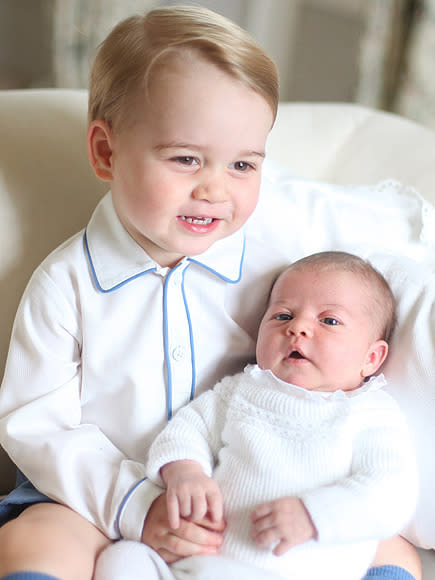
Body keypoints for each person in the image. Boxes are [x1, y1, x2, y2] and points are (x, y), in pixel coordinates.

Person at [0, 6, 421, 580]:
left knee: (389, 546)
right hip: (97, 496)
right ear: (106, 152)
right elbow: (37, 425)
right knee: (36, 541)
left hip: (258, 488)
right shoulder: (66, 282)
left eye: (244, 164)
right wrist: (136, 505)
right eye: (186, 159)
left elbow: (380, 222)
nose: (215, 189)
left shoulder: (279, 241)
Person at [95, 251, 417, 580]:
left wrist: (314, 515)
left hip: (297, 571)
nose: (299, 327)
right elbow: (188, 428)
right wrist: (186, 472)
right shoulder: (241, 389)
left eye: (329, 320)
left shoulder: (370, 414)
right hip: (199, 566)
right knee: (123, 558)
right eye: (282, 316)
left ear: (371, 357)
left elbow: (391, 493)